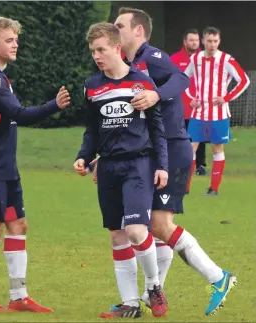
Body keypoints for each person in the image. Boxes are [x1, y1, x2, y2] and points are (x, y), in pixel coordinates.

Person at [110, 8, 237, 316]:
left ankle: (218, 277)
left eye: (119, 26)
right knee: (154, 227)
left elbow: (181, 79)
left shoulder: (151, 56)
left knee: (159, 225)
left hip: (174, 148)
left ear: (138, 31)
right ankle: (148, 297)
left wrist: (155, 95)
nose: (114, 30)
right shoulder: (129, 64)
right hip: (155, 150)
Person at [0, 16, 70, 312]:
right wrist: (54, 106)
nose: (15, 45)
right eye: (9, 40)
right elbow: (18, 114)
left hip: (4, 167)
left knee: (17, 224)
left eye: (16, 40)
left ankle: (19, 296)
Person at [73, 22, 169, 319]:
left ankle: (153, 287)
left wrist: (162, 165)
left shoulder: (142, 82)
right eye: (92, 51)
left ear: (117, 48)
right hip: (108, 166)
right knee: (117, 235)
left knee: (137, 231)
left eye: (101, 49)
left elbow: (157, 128)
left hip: (139, 163)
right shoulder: (92, 86)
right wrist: (84, 156)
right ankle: (130, 304)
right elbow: (92, 129)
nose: (96, 56)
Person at [185, 26, 250, 196]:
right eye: (209, 41)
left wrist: (227, 97)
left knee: (216, 148)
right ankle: (185, 188)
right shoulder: (196, 58)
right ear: (203, 41)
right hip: (198, 113)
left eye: (215, 41)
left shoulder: (226, 60)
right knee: (189, 148)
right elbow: (183, 78)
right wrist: (190, 97)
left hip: (218, 114)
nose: (212, 45)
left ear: (219, 41)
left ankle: (213, 188)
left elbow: (244, 80)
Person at [170, 29, 207, 178]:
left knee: (200, 138)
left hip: (200, 107)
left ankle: (201, 165)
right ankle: (180, 165)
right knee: (182, 138)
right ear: (185, 42)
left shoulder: (205, 58)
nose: (194, 43)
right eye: (191, 40)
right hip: (181, 107)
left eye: (197, 40)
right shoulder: (175, 59)